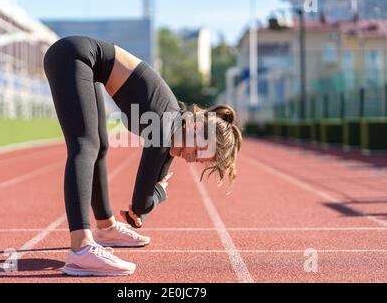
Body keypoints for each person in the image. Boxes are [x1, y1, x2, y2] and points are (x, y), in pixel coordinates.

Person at [43, 36, 243, 277]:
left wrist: (146, 202)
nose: (189, 160)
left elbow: (140, 209)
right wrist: (157, 192)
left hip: (86, 64)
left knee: (99, 147)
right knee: (85, 145)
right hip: (72, 56)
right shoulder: (165, 124)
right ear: (197, 127)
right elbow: (141, 202)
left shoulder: (174, 128)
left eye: (197, 160)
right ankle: (81, 248)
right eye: (197, 152)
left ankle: (105, 228)